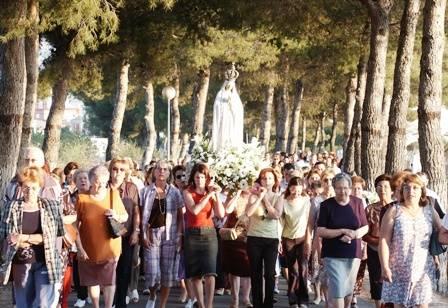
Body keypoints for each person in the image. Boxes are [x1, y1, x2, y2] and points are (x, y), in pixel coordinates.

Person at [0, 167, 65, 307]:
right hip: (21, 263)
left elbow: (51, 237)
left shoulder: (51, 206)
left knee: (43, 304)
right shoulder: (11, 207)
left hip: (46, 262)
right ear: (21, 188)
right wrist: (30, 239)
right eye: (26, 188)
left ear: (40, 187)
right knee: (23, 304)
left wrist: (24, 238)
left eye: (34, 188)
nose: (30, 192)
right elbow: (7, 236)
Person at [379, 174, 441, 307]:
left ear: (422, 191)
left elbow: (442, 232)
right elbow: (384, 240)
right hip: (398, 270)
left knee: (422, 305)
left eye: (415, 188)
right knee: (400, 305)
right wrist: (384, 267)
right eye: (406, 188)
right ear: (401, 192)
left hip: (423, 269)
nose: (410, 191)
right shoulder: (394, 211)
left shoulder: (429, 211)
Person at [76, 165, 129, 308]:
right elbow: (75, 225)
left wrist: (115, 215)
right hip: (89, 247)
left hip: (110, 247)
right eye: (98, 182)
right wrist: (79, 247)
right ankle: (95, 306)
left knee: (109, 280)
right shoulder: (82, 198)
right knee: (92, 280)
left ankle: (108, 306)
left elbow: (125, 216)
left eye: (104, 182)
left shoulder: (113, 194)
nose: (100, 186)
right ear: (91, 180)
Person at [317, 173, 368, 308]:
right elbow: (320, 231)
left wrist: (354, 234)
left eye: (345, 188)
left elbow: (365, 227)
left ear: (350, 188)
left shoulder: (357, 203)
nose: (342, 191)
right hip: (332, 254)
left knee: (348, 290)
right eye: (339, 188)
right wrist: (341, 231)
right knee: (338, 289)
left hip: (353, 253)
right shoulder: (326, 205)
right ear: (334, 188)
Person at [141, 160, 184, 308]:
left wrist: (179, 236)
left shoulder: (175, 192)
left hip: (170, 235)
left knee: (167, 273)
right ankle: (152, 295)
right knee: (152, 273)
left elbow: (180, 216)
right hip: (152, 234)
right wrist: (143, 235)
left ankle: (162, 304)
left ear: (168, 173)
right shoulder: (146, 191)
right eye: (159, 168)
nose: (161, 171)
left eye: (165, 169)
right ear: (154, 172)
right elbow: (140, 215)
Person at [183, 163, 225, 308]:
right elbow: (195, 210)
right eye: (197, 177)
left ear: (207, 178)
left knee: (210, 272)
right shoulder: (187, 192)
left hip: (209, 234)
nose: (200, 180)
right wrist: (208, 195)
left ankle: (209, 305)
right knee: (195, 274)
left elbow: (221, 214)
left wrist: (217, 196)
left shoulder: (211, 193)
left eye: (203, 177)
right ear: (193, 178)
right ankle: (200, 304)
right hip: (192, 234)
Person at [245, 167, 282, 308]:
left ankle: (268, 304)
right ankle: (257, 304)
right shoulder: (253, 196)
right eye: (264, 178)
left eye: (270, 178)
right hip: (254, 237)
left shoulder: (278, 197)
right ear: (260, 180)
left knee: (270, 273)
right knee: (255, 272)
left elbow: (275, 215)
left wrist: (265, 197)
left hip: (271, 239)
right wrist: (259, 196)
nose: (267, 181)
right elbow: (248, 213)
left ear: (274, 181)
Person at [109, 158, 140, 308]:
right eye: (115, 169)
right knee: (109, 271)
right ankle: (111, 301)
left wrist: (136, 231)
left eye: (122, 170)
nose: (118, 173)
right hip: (107, 237)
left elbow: (136, 212)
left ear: (126, 172)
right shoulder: (104, 186)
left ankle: (121, 302)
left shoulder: (131, 188)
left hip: (126, 236)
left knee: (124, 270)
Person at [280, 177, 311, 307]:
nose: (296, 193)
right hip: (288, 238)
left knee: (303, 268)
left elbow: (309, 221)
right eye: (294, 190)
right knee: (293, 269)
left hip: (303, 237)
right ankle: (292, 299)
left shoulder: (305, 200)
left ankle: (303, 299)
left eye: (299, 191)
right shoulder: (284, 202)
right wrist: (279, 240)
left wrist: (309, 238)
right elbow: (280, 222)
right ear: (289, 188)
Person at [362, 174, 392, 308]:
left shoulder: (397, 208)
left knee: (392, 283)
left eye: (386, 186)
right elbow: (363, 233)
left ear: (392, 189)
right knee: (376, 282)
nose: (382, 189)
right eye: (379, 186)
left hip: (394, 252)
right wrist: (379, 242)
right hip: (374, 250)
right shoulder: (369, 209)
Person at [221, 189, 252, 308]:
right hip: (232, 237)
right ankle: (235, 300)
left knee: (248, 270)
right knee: (234, 271)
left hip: (247, 236)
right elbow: (227, 210)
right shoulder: (233, 196)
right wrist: (237, 193)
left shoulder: (254, 197)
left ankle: (246, 298)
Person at [72, 170, 91, 308]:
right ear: (75, 182)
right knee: (78, 266)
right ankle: (81, 296)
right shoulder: (71, 197)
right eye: (80, 179)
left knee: (92, 266)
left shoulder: (94, 196)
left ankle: (92, 293)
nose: (83, 181)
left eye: (85, 178)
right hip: (75, 235)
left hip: (92, 235)